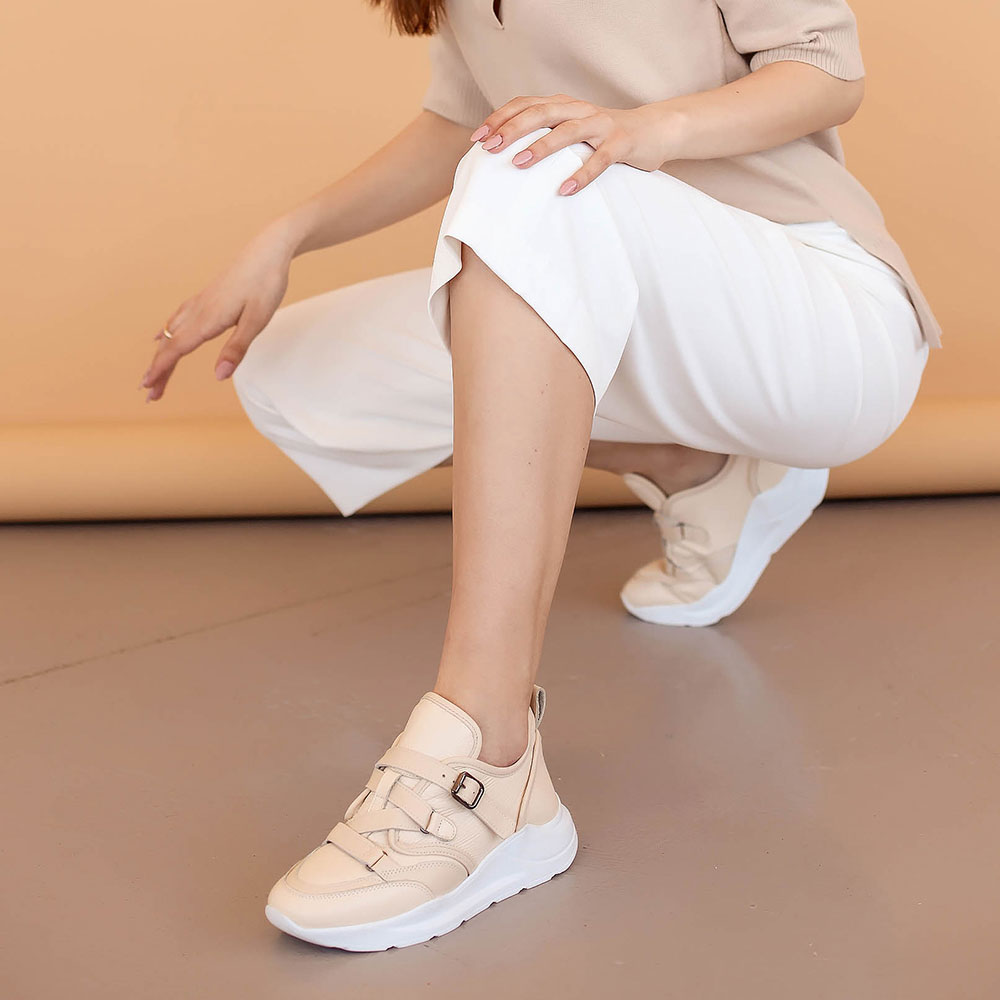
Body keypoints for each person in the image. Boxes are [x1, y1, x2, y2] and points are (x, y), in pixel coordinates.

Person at [138, 0, 941, 950]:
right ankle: (697, 467)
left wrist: (649, 130)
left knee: (535, 169)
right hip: (622, 274)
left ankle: (488, 753)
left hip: (816, 313)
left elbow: (825, 69)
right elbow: (460, 125)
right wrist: (286, 235)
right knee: (293, 373)